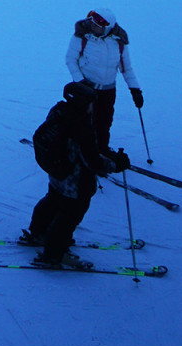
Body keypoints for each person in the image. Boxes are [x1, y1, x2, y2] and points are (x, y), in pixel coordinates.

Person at [24, 80, 132, 268]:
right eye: (90, 103)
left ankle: (38, 233)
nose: (93, 107)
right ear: (83, 104)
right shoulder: (81, 127)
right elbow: (92, 161)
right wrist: (116, 164)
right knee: (69, 216)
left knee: (52, 201)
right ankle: (55, 254)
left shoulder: (59, 111)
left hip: (57, 172)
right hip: (75, 181)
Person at [65, 8, 142, 151]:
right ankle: (82, 151)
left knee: (105, 122)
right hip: (87, 89)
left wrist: (135, 89)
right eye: (93, 23)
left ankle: (101, 150)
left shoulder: (119, 42)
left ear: (108, 27)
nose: (93, 26)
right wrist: (80, 82)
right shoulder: (82, 37)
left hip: (108, 91)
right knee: (86, 122)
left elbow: (126, 69)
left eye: (98, 25)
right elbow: (70, 60)